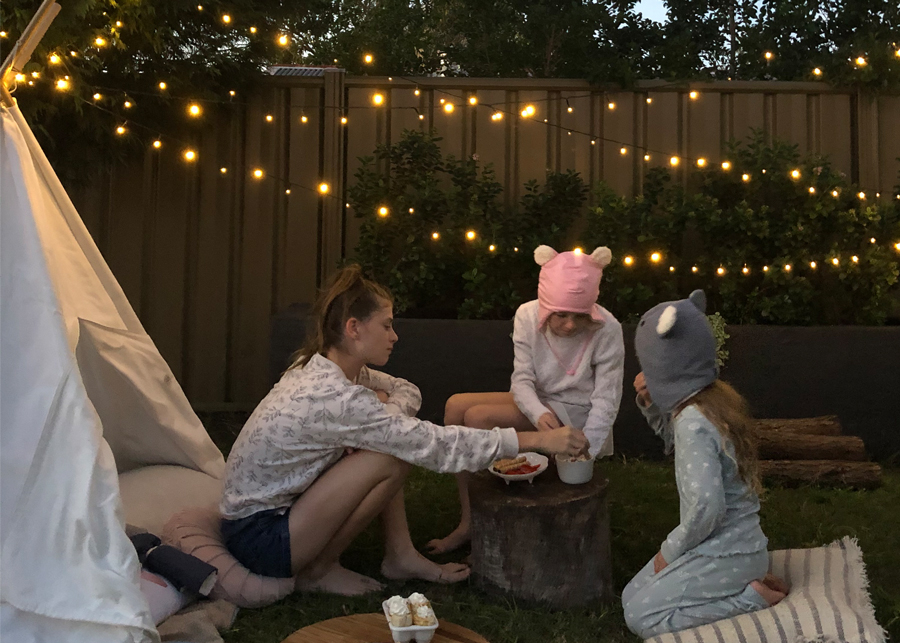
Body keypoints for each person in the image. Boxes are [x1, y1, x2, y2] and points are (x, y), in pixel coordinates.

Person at [218, 265, 588, 596]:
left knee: (391, 440)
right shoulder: (333, 396)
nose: (394, 336)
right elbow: (435, 445)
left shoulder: (327, 368)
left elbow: (407, 389)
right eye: (386, 325)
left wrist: (386, 412)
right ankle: (318, 570)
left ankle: (400, 555)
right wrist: (538, 439)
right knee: (391, 453)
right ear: (353, 328)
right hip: (261, 538)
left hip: (276, 514)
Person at [427, 245, 625, 555]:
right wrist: (535, 412)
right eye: (560, 314)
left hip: (577, 412)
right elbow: (521, 380)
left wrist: (588, 449)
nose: (570, 324)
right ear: (546, 306)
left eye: (579, 316)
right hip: (541, 400)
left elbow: (607, 397)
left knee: (478, 418)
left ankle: (485, 519)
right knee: (456, 406)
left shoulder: (608, 328)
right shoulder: (527, 315)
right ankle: (469, 518)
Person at [622, 290, 789, 637]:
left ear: (664, 368)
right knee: (630, 596)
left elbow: (705, 506)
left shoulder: (694, 422)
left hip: (728, 552)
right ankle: (748, 579)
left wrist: (668, 552)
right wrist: (652, 401)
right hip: (731, 548)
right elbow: (673, 444)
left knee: (640, 616)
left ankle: (752, 597)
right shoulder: (707, 404)